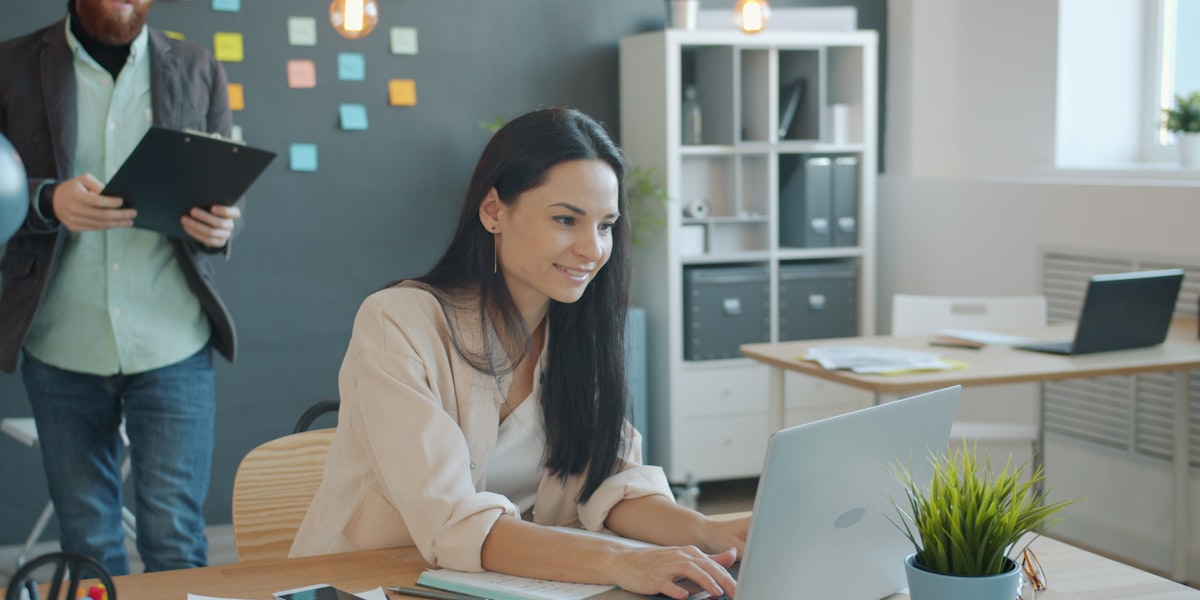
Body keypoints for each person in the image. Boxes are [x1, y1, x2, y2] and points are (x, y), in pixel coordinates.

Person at [290, 107, 749, 599]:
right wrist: (621, 561)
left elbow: (610, 483)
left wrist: (709, 533)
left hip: (488, 588)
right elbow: (451, 520)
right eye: (566, 219)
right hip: (365, 586)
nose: (592, 249)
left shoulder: (576, 333)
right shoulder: (398, 322)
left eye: (605, 225)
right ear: (493, 211)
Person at [0, 0, 241, 574]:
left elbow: (223, 188)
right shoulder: (10, 66)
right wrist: (46, 199)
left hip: (172, 340)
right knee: (88, 543)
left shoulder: (199, 67)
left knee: (176, 539)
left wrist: (222, 226)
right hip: (60, 343)